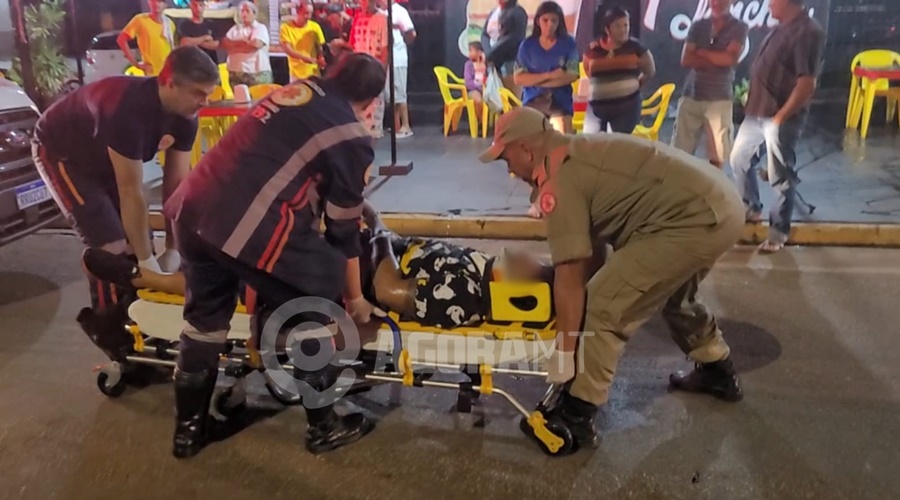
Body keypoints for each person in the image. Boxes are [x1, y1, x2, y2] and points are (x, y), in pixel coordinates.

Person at [479, 107, 745, 452]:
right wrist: (552, 274)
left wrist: (564, 358)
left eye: (507, 158)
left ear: (527, 150)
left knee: (604, 305)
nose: (510, 170)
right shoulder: (577, 151)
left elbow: (575, 282)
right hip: (720, 205)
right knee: (673, 293)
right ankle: (717, 370)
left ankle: (578, 415)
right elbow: (590, 256)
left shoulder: (559, 182)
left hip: (691, 219)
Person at [161, 53, 387, 459]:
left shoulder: (293, 91)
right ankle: (324, 427)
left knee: (204, 321)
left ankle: (188, 431)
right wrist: (354, 299)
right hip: (244, 221)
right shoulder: (350, 133)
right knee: (319, 283)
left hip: (191, 208)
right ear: (371, 102)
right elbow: (343, 230)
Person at [82, 201, 554, 330]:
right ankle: (143, 275)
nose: (531, 253)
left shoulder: (465, 299)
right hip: (357, 250)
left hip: (345, 273)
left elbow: (389, 293)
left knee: (237, 277)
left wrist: (381, 238)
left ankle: (142, 278)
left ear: (521, 283)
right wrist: (378, 224)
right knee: (239, 254)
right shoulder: (479, 265)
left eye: (537, 261)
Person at [32, 46, 218, 356]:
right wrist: (148, 266)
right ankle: (112, 334)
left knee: (137, 240)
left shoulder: (187, 116)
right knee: (113, 249)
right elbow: (132, 191)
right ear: (169, 81)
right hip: (63, 155)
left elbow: (176, 188)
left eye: (209, 93)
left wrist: (173, 248)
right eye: (198, 92)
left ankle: (140, 324)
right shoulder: (127, 111)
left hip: (103, 158)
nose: (206, 101)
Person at [729, 0, 825, 253]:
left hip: (778, 116)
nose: (769, 3)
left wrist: (781, 117)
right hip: (758, 112)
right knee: (739, 158)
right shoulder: (782, 26)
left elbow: (807, 84)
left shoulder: (807, 31)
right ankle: (750, 207)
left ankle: (778, 232)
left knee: (779, 175)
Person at [671, 0, 748, 168]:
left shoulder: (739, 27)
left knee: (717, 155)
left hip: (719, 98)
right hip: (692, 94)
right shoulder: (698, 25)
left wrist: (701, 52)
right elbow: (686, 59)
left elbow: (729, 59)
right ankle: (681, 191)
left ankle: (712, 192)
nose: (716, 2)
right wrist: (717, 58)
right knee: (680, 154)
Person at [581, 7, 655, 134]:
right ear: (607, 29)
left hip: (626, 107)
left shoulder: (636, 48)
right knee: (590, 144)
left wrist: (631, 86)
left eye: (626, 25)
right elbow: (588, 71)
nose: (623, 30)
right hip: (596, 109)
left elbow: (650, 71)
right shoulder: (593, 49)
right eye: (617, 26)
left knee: (618, 145)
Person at [513, 1, 579, 135]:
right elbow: (519, 78)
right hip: (533, 100)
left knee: (561, 136)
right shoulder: (527, 45)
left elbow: (572, 74)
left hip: (560, 101)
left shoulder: (568, 43)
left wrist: (537, 80)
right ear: (538, 21)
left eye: (554, 21)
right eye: (545, 20)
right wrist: (550, 75)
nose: (550, 25)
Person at [348, 0, 389, 137]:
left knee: (374, 104)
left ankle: (373, 134)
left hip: (374, 68)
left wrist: (382, 70)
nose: (364, 4)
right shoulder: (357, 18)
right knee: (358, 106)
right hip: (358, 68)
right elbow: (352, 44)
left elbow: (385, 48)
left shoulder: (382, 19)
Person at [481, 0, 528, 98]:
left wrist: (492, 53)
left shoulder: (518, 12)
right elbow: (484, 34)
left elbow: (515, 37)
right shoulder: (494, 12)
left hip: (509, 63)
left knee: (511, 100)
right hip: (493, 63)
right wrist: (487, 52)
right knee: (494, 100)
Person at [117, 0, 176, 76]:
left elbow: (172, 48)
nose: (156, 4)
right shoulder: (140, 20)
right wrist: (136, 64)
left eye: (159, 1)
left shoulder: (169, 23)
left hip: (168, 73)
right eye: (153, 1)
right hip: (151, 73)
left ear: (165, 4)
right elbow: (121, 39)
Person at [221, 1, 273, 86]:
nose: (244, 14)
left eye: (247, 11)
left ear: (254, 14)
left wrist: (234, 46)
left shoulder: (260, 28)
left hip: (256, 73)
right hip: (236, 73)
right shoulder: (235, 29)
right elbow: (225, 43)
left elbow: (256, 44)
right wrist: (244, 42)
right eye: (242, 11)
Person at [280, 0, 327, 82]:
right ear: (298, 11)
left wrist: (321, 58)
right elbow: (287, 49)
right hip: (296, 73)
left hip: (313, 72)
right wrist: (303, 58)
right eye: (306, 13)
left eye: (310, 13)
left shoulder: (315, 26)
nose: (308, 16)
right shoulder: (286, 27)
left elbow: (320, 47)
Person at [178, 0, 220, 65]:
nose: (198, 9)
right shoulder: (184, 24)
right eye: (195, 5)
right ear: (190, 6)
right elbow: (184, 42)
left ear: (204, 6)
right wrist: (205, 38)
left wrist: (194, 42)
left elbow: (217, 44)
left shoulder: (211, 24)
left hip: (210, 66)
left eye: (200, 5)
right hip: (192, 66)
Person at [464, 41, 487, 118]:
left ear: (479, 52)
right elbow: (468, 82)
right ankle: (481, 121)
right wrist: (479, 87)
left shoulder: (486, 63)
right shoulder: (468, 65)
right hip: (474, 90)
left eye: (471, 50)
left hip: (487, 89)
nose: (469, 53)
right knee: (478, 100)